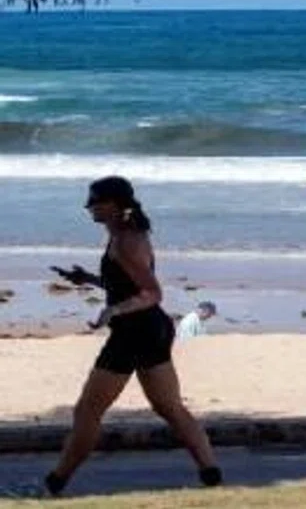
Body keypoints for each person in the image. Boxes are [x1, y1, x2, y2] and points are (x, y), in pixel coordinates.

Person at [35, 176, 222, 496]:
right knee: (170, 408)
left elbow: (153, 292)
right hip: (150, 330)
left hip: (136, 332)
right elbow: (127, 284)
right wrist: (88, 278)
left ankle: (56, 481)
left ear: (115, 204)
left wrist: (112, 311)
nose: (90, 207)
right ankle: (211, 472)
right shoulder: (122, 236)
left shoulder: (126, 241)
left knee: (88, 411)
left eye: (96, 201)